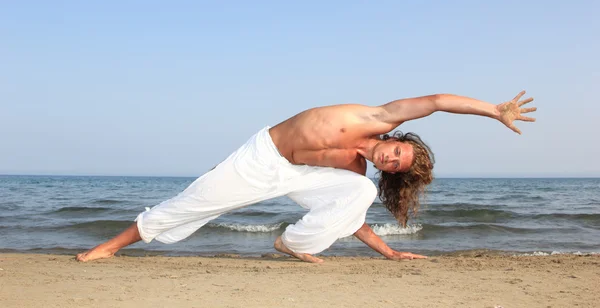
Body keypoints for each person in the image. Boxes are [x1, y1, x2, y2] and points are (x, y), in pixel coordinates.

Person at [76, 91, 536, 263]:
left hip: (297, 175)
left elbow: (353, 218)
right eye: (398, 151)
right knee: (191, 205)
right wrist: (493, 110)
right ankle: (110, 247)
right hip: (262, 158)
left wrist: (390, 251)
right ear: (396, 136)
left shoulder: (358, 170)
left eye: (394, 165)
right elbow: (435, 101)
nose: (391, 159)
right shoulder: (372, 116)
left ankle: (293, 243)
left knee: (356, 192)